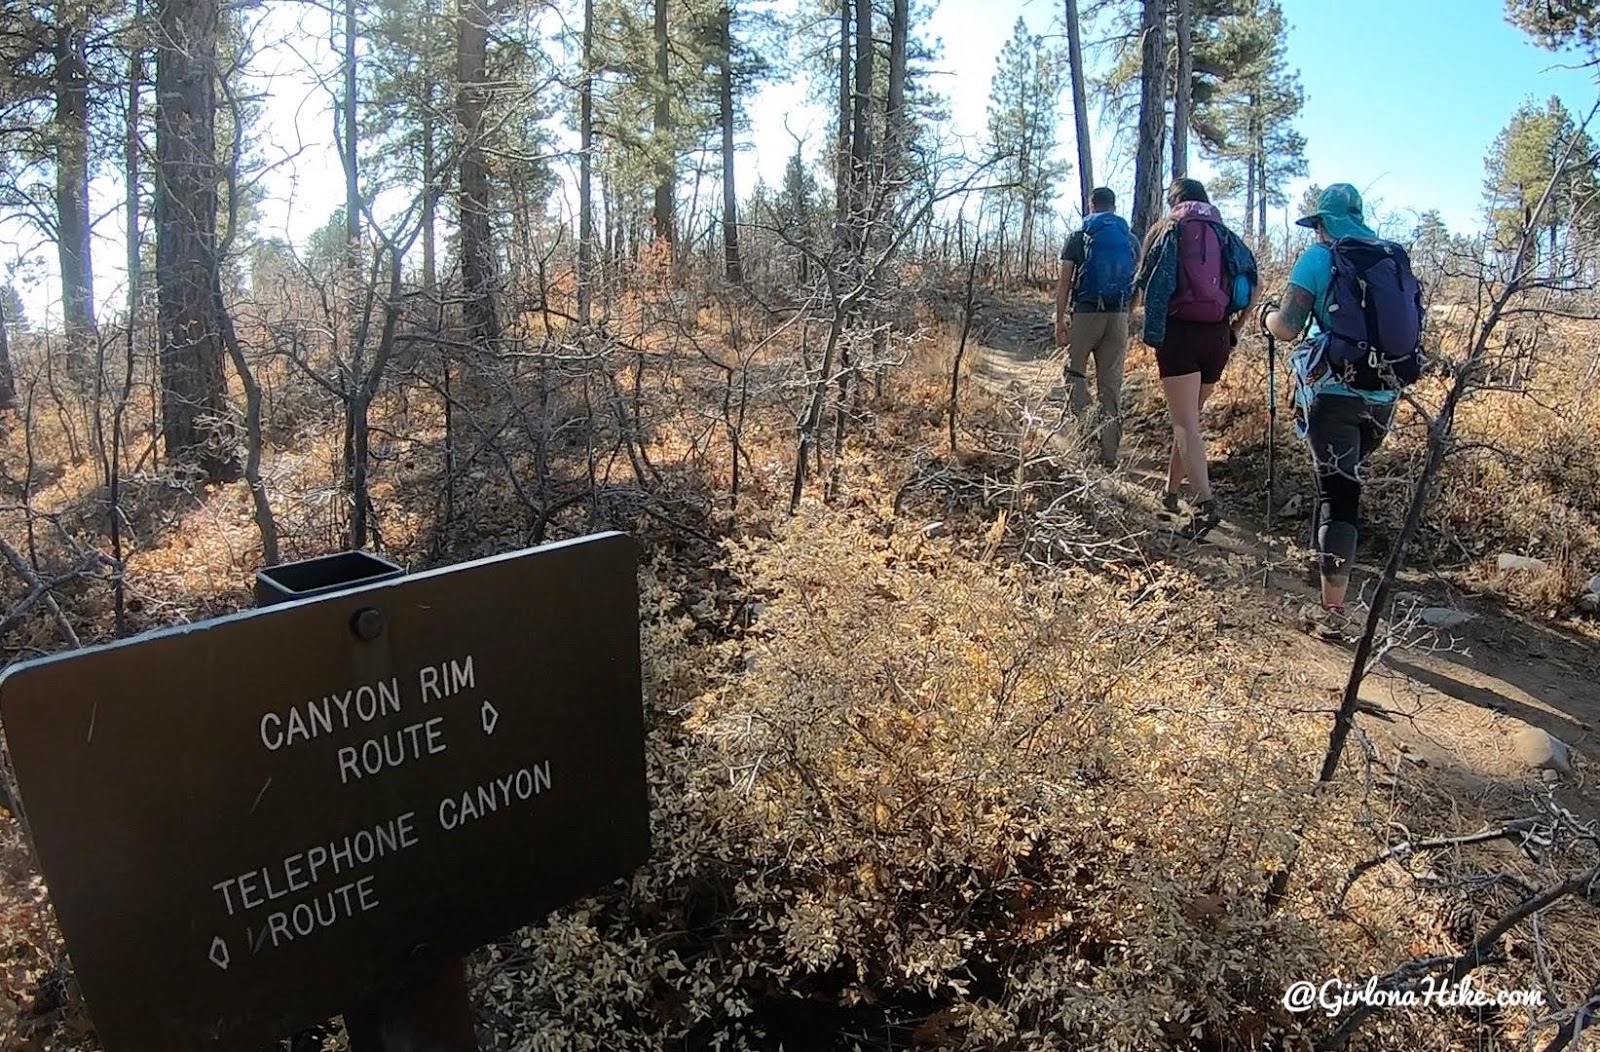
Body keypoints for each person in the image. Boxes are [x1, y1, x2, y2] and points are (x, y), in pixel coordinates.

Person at [1259, 183, 1408, 640]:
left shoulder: (1319, 258)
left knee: (1337, 498)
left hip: (1335, 395)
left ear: (1323, 222)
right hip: (1384, 395)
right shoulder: (1392, 257)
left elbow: (1287, 327)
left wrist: (1266, 316)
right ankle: (1323, 570)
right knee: (1342, 484)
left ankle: (1333, 612)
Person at [1133, 178, 1256, 538]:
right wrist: (1238, 327)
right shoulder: (1225, 233)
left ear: (1175, 202)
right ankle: (1170, 495)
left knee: (1185, 423)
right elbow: (1254, 283)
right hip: (1218, 335)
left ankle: (1203, 506)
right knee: (1189, 421)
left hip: (1180, 334)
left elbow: (1145, 281)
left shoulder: (1166, 229)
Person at [1055, 186, 1138, 467]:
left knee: (1074, 373)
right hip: (1118, 317)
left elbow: (1065, 281)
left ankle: (1086, 425)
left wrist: (1059, 320)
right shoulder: (1130, 239)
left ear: (1091, 206)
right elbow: (1139, 281)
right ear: (1114, 207)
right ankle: (1110, 454)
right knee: (1111, 385)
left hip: (1086, 314)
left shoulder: (1080, 236)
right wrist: (1128, 311)